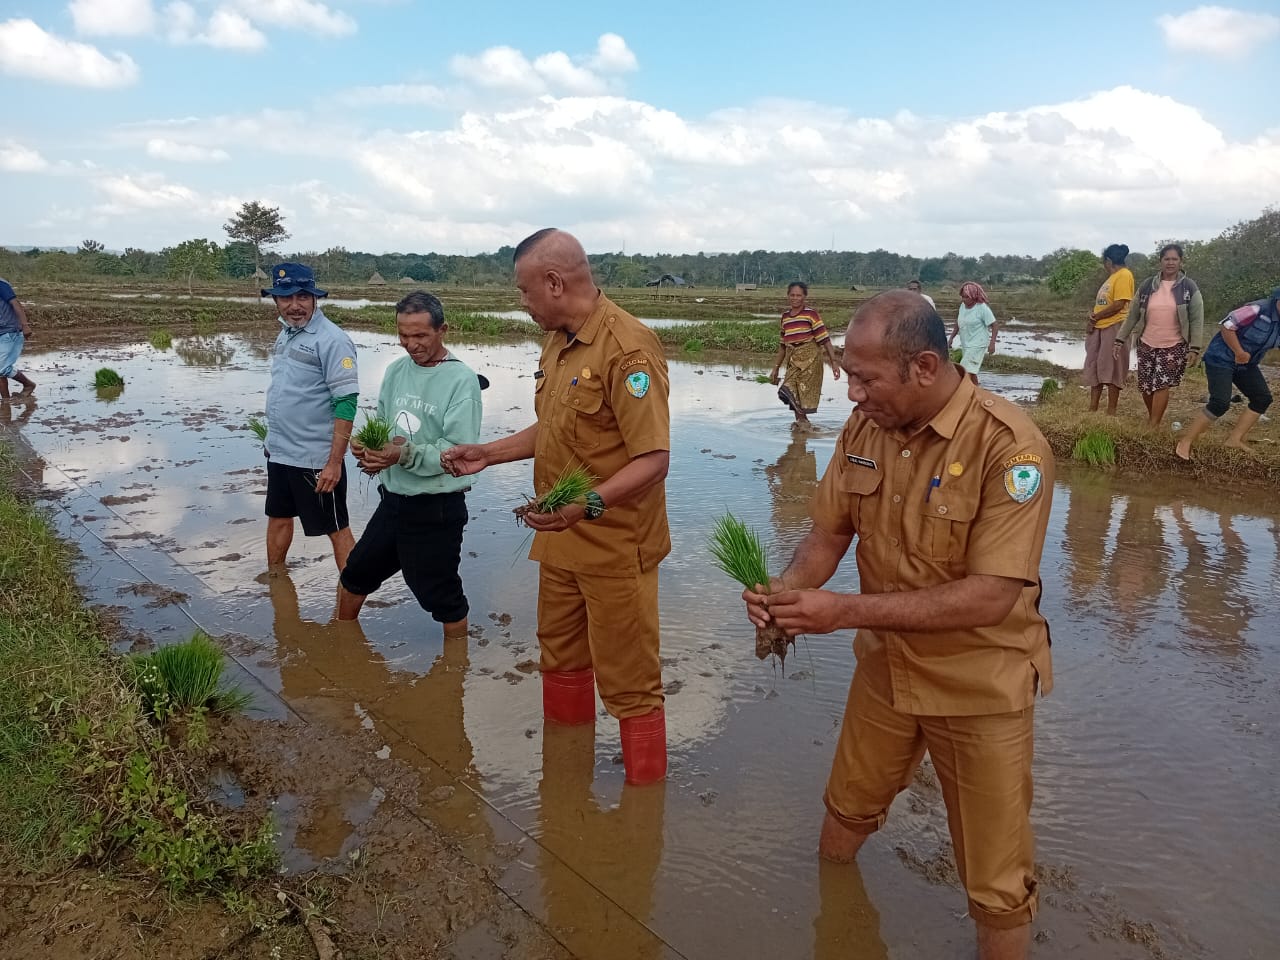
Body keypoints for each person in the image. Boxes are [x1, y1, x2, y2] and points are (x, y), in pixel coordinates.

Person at [743, 290, 1055, 960]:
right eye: (848, 376)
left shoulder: (1010, 446)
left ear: (922, 367)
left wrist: (843, 611)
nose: (851, 394)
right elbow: (827, 534)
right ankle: (836, 925)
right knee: (843, 813)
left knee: (998, 885)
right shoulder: (866, 430)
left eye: (865, 378)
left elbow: (990, 597)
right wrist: (786, 594)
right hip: (886, 668)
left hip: (981, 684)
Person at [441, 228, 672, 786]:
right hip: (561, 535)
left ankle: (642, 813)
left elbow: (653, 459)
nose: (522, 304)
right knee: (560, 656)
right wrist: (488, 453)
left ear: (554, 281)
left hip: (614, 543)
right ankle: (564, 784)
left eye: (525, 292)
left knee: (629, 678)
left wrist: (586, 506)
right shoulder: (559, 341)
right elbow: (555, 427)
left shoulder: (628, 348)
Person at [337, 291, 482, 639]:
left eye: (420, 335)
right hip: (394, 501)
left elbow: (457, 451)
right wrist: (369, 450)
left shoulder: (461, 380)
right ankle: (341, 646)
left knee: (443, 598)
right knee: (355, 575)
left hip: (437, 508)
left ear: (442, 329)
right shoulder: (396, 370)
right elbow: (385, 428)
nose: (411, 344)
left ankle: (454, 680)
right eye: (403, 335)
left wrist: (401, 455)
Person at [262, 262, 359, 573]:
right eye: (286, 298)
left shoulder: (333, 340)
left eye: (302, 297)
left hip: (315, 459)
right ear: (275, 300)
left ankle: (354, 592)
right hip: (280, 452)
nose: (295, 306)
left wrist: (334, 462)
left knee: (336, 527)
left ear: (314, 298)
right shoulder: (286, 334)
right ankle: (277, 580)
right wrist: (272, 440)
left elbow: (346, 403)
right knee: (278, 517)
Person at [1174, 286, 1279, 461]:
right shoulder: (1257, 309)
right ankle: (1185, 441)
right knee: (1220, 402)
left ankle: (1234, 439)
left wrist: (1242, 356)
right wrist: (1238, 351)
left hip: (1246, 363)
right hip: (1221, 358)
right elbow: (1227, 325)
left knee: (1262, 398)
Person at [1113, 244, 1204, 428]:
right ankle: (1153, 417)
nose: (1170, 262)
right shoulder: (1148, 285)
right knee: (1146, 387)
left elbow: (1197, 318)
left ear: (1181, 262)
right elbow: (1132, 315)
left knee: (1161, 384)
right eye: (1166, 259)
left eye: (1174, 259)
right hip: (1147, 343)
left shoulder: (1188, 287)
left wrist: (1194, 347)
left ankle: (1154, 425)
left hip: (1174, 345)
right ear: (1160, 261)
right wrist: (1119, 339)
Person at [770, 281, 840, 426]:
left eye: (798, 295)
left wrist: (834, 362)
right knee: (788, 391)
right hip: (793, 359)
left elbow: (825, 340)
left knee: (800, 395)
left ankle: (802, 425)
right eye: (792, 295)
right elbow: (783, 345)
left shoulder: (811, 315)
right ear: (788, 296)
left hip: (810, 359)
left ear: (804, 297)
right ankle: (803, 423)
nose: (795, 298)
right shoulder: (785, 317)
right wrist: (776, 368)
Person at [1082, 244, 1135, 415]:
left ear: (1109, 261)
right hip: (1100, 328)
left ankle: (1111, 410)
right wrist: (1093, 317)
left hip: (1115, 327)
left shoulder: (1124, 275)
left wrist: (1096, 317)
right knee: (1096, 367)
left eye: (1104, 262)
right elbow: (1104, 303)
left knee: (1114, 367)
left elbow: (1119, 304)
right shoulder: (1111, 278)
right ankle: (1093, 408)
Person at [947, 281, 999, 384]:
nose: (964, 299)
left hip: (978, 343)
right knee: (971, 371)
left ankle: (968, 390)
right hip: (967, 343)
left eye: (967, 297)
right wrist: (951, 337)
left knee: (966, 368)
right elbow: (958, 322)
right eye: (962, 297)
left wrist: (992, 343)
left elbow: (994, 325)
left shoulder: (982, 308)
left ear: (974, 296)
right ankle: (975, 389)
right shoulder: (962, 306)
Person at [0, 277, 36, 400]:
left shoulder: (1, 284)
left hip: (10, 331)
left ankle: (28, 385)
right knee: (1, 370)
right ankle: (5, 401)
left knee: (1, 369)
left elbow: (15, 303)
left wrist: (25, 325)